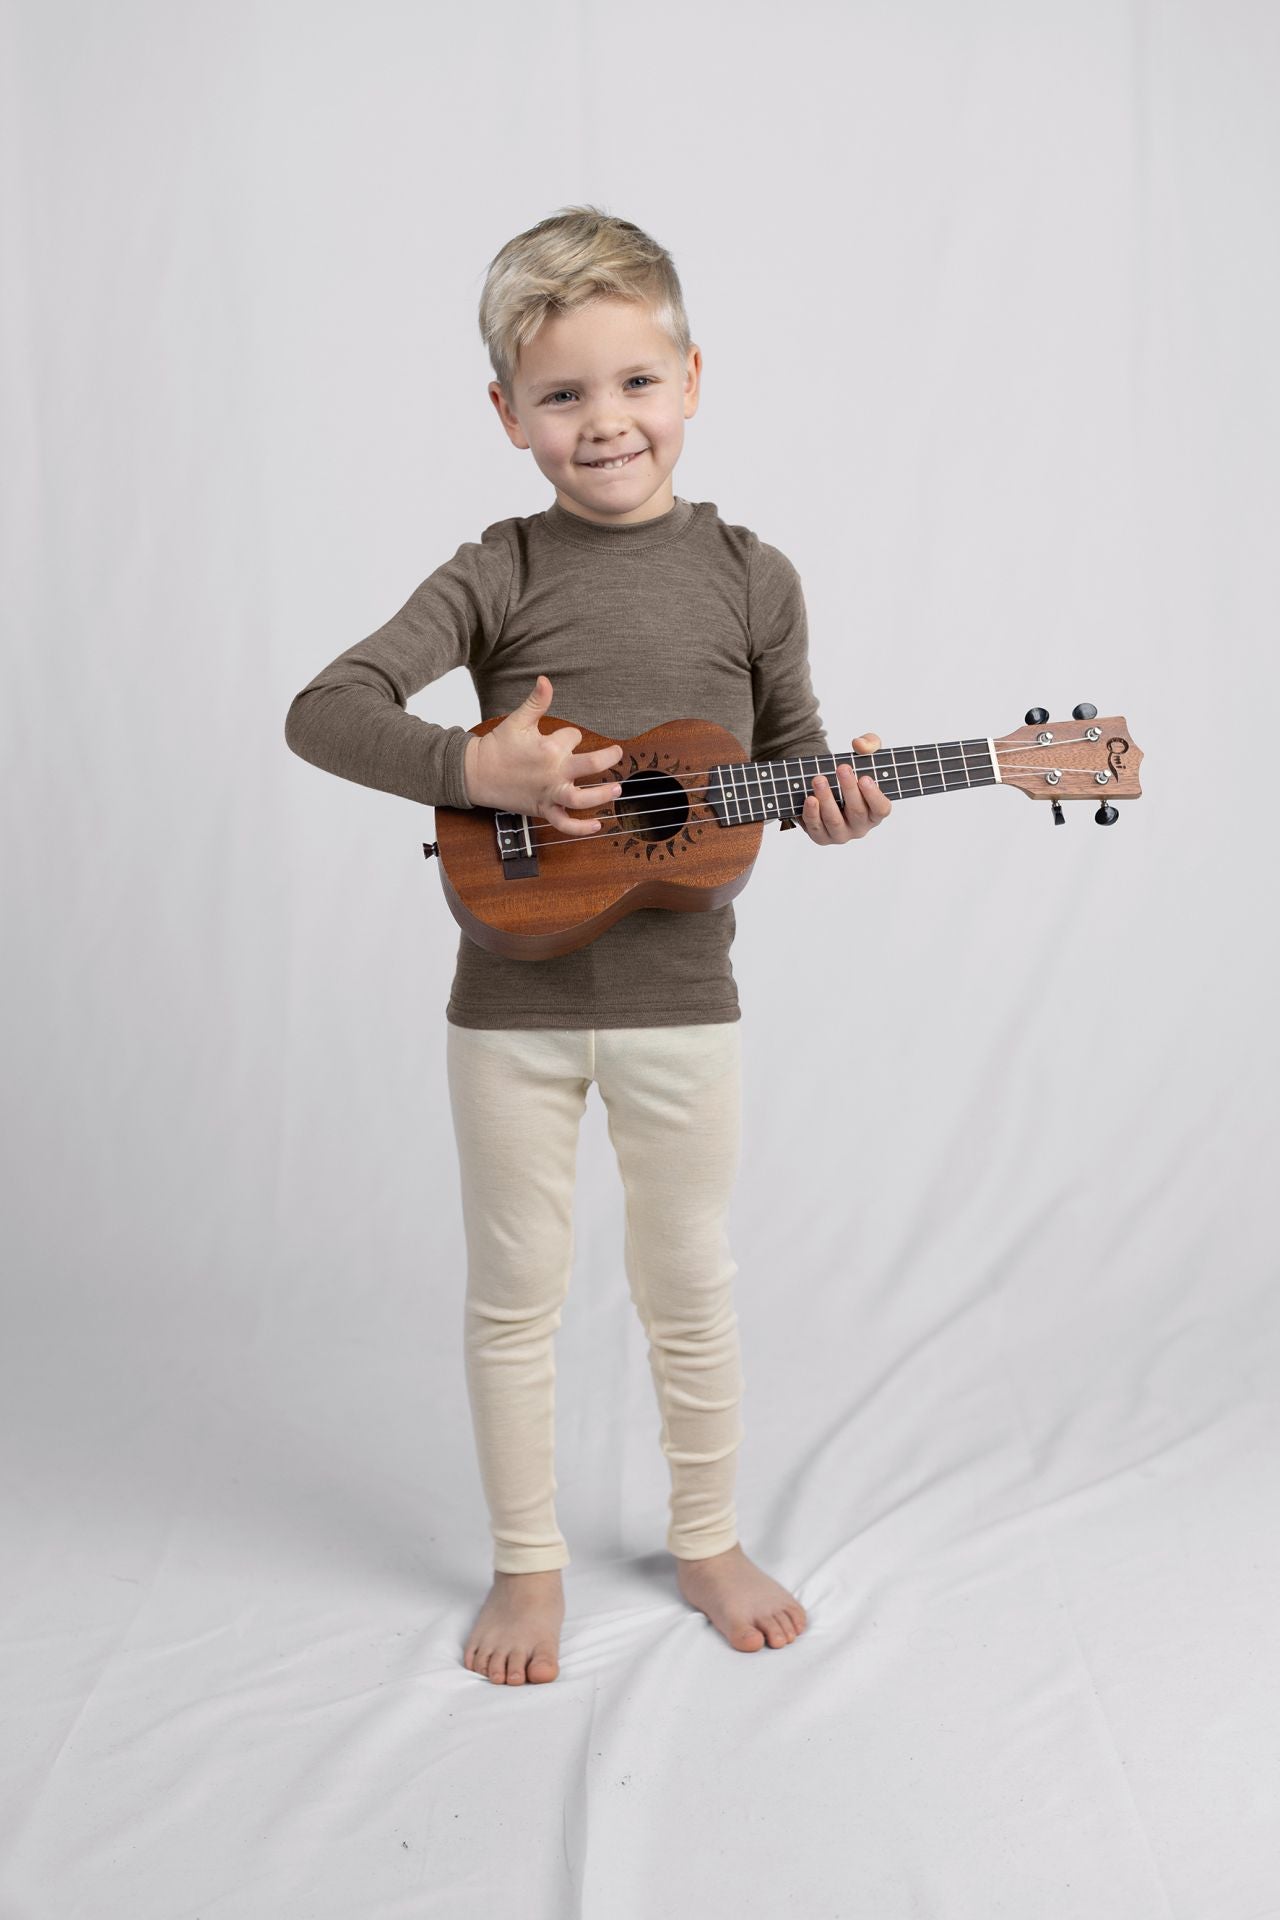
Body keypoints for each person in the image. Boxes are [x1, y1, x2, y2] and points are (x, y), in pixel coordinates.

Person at [283, 205, 891, 1686]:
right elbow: (327, 705)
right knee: (518, 1291)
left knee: (690, 1283)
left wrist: (839, 801)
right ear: (508, 414)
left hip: (688, 998)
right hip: (511, 998)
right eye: (562, 394)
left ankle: (706, 1536)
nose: (605, 422)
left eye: (634, 383)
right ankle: (528, 1566)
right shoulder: (494, 569)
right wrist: (471, 773)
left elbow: (791, 760)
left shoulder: (756, 577)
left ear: (693, 379)